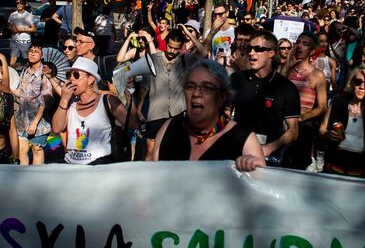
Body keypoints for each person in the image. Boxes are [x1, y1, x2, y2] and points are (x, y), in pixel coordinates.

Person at [153, 59, 265, 172]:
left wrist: (257, 168)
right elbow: (154, 180)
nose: (196, 94)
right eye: (190, 86)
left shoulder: (244, 140)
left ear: (222, 97)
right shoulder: (168, 128)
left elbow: (262, 185)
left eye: (207, 87)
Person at [230, 30, 300, 166]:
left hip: (267, 159)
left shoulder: (286, 87)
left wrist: (268, 149)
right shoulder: (237, 79)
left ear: (272, 53)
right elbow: (224, 114)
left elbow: (293, 131)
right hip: (237, 153)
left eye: (258, 49)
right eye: (250, 48)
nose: (251, 53)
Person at [52, 57, 139, 165]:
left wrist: (131, 99)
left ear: (90, 79)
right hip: (71, 164)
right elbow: (56, 129)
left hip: (98, 164)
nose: (71, 80)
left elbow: (133, 124)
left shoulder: (107, 100)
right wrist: (64, 100)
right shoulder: (71, 104)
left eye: (76, 75)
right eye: (69, 76)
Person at [137, 29, 208, 161]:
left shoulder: (185, 60)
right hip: (156, 113)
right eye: (170, 47)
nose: (171, 51)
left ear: (180, 47)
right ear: (165, 43)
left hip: (178, 113)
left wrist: (187, 32)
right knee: (150, 152)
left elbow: (204, 52)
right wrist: (139, 107)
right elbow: (144, 87)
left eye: (176, 48)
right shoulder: (153, 59)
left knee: (174, 152)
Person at [319, 65, 365, 178]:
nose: (362, 87)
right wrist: (328, 134)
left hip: (363, 170)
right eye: (358, 82)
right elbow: (322, 129)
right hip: (336, 166)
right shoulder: (338, 102)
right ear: (351, 83)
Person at [284, 31, 327, 170]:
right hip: (282, 125)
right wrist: (288, 63)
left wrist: (303, 117)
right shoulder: (287, 69)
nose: (299, 46)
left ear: (312, 51)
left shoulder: (317, 75)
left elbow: (322, 106)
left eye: (305, 44)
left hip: (302, 128)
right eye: (298, 42)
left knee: (298, 166)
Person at [13, 43, 54, 165]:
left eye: (36, 51)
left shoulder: (44, 73)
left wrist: (34, 123)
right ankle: (23, 180)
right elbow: (20, 92)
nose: (32, 53)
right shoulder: (25, 71)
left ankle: (37, 177)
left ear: (41, 56)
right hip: (22, 119)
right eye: (30, 51)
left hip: (38, 121)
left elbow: (44, 101)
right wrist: (7, 87)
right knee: (22, 150)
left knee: (37, 149)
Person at [0, 54, 19, 164]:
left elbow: (13, 130)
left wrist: (16, 159)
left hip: (4, 152)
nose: (2, 78)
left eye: (2, 74)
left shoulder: (7, 98)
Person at [8, 0, 36, 68]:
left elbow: (34, 29)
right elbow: (9, 26)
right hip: (14, 40)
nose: (19, 4)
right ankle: (12, 76)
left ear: (24, 4)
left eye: (21, 3)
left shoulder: (29, 15)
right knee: (12, 61)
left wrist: (22, 29)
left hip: (25, 41)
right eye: (17, 3)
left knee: (27, 60)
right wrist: (12, 29)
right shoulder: (12, 15)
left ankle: (27, 75)